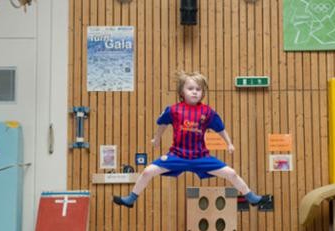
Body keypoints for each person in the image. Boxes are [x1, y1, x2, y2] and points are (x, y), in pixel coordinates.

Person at [113, 71, 271, 208]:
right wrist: (156, 139)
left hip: (201, 157)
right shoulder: (174, 110)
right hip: (177, 156)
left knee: (231, 173)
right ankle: (131, 199)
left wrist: (229, 143)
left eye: (198, 89)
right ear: (182, 91)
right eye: (190, 89)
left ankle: (251, 197)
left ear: (203, 93)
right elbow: (162, 124)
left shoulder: (207, 111)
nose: (195, 92)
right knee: (148, 171)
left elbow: (220, 128)